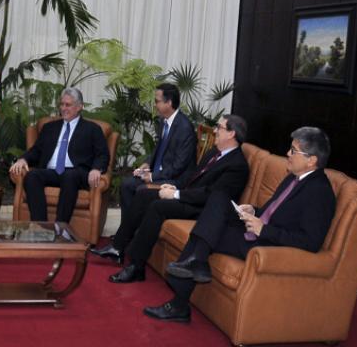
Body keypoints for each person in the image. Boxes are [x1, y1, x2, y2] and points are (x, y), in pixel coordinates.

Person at [144, 127, 335, 323]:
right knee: (219, 198)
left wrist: (264, 229)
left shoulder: (320, 192)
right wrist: (253, 210)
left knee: (206, 233)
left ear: (312, 160)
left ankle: (179, 302)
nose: (288, 154)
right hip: (257, 229)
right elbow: (275, 211)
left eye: (294, 151)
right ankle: (197, 263)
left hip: (268, 244)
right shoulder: (293, 178)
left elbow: (310, 241)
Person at [93, 115, 250, 284]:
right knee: (143, 193)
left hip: (203, 211)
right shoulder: (215, 153)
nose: (215, 131)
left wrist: (176, 195)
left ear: (231, 134)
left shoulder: (237, 166)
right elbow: (194, 177)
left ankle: (136, 267)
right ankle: (118, 247)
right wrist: (175, 188)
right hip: (190, 197)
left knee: (158, 207)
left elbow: (211, 195)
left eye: (219, 127)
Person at [9, 88, 109, 223]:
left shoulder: (92, 129)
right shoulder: (50, 128)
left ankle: (60, 227)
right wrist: (23, 159)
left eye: (68, 105)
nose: (63, 108)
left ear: (79, 106)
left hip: (77, 173)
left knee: (69, 176)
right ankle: (41, 226)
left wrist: (96, 169)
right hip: (52, 171)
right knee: (32, 175)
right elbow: (36, 150)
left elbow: (103, 154)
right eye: (61, 104)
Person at [119, 83, 196, 222]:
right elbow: (159, 148)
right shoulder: (163, 121)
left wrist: (153, 177)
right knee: (126, 185)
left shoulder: (185, 128)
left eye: (157, 101)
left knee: (141, 189)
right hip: (162, 173)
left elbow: (179, 166)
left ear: (169, 102)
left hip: (175, 180)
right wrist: (147, 163)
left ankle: (133, 229)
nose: (155, 105)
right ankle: (129, 228)